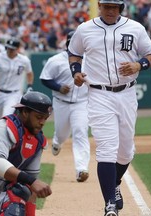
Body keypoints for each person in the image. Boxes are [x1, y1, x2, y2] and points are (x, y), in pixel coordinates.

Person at [68, 1, 151, 215]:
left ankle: (115, 183)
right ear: (99, 6)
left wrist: (139, 64)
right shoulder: (85, 29)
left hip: (127, 93)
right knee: (106, 149)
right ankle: (109, 203)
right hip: (99, 94)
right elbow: (74, 53)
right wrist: (76, 72)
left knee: (126, 152)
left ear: (121, 8)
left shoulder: (135, 28)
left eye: (114, 7)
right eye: (106, 6)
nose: (110, 10)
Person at [39, 31, 90, 182]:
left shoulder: (90, 60)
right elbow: (45, 78)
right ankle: (57, 141)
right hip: (61, 103)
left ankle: (81, 169)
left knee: (80, 132)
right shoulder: (56, 60)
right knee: (62, 133)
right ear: (68, 43)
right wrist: (58, 87)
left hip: (82, 103)